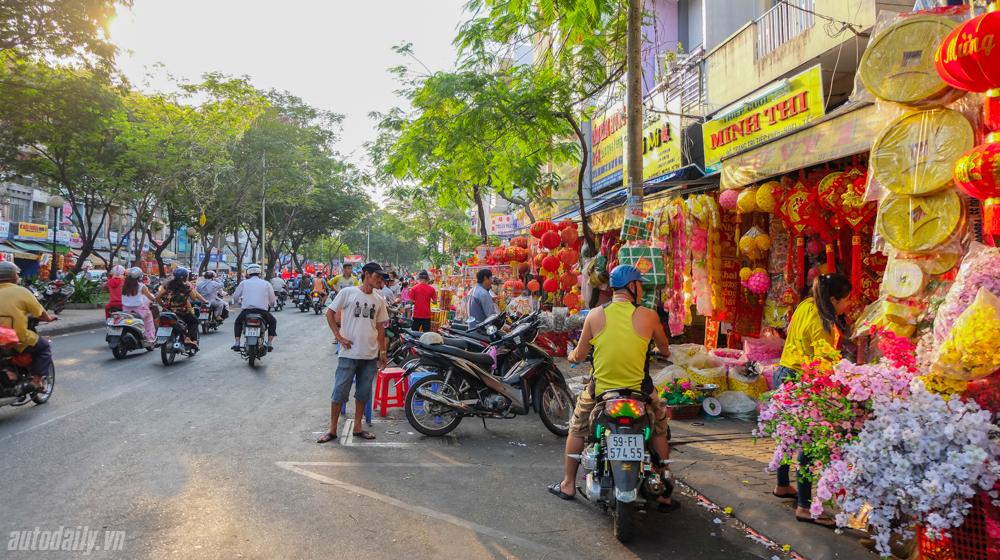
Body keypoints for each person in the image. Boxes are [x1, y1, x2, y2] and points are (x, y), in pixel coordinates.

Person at [550, 265, 676, 512]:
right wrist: (660, 351)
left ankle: (567, 484)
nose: (641, 288)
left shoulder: (595, 315)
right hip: (640, 391)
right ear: (632, 286)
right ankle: (663, 493)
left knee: (577, 427)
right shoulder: (649, 315)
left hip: (602, 392)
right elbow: (665, 348)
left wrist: (574, 356)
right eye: (640, 284)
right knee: (659, 426)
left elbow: (581, 353)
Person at [772, 273, 853, 527]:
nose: (849, 304)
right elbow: (823, 367)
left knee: (787, 435)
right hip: (802, 381)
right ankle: (805, 508)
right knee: (807, 443)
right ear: (832, 299)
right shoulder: (823, 325)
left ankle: (783, 485)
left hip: (783, 373)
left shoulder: (806, 305)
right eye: (847, 300)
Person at [319, 262, 390, 443]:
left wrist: (383, 351)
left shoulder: (379, 300)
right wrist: (338, 336)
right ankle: (332, 428)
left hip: (369, 354)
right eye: (377, 276)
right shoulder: (347, 293)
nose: (380, 280)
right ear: (367, 274)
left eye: (381, 277)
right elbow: (329, 312)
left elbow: (380, 326)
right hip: (348, 353)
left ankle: (358, 426)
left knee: (363, 392)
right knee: (339, 391)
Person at [0, 262, 57, 393]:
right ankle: (35, 381)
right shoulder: (22, 292)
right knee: (44, 347)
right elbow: (40, 314)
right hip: (16, 339)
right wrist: (49, 318)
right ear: (14, 277)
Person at [230, 263, 278, 352]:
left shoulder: (243, 283)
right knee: (273, 322)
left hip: (246, 312)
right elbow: (272, 300)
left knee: (238, 323)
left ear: (248, 273)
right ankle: (270, 343)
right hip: (262, 312)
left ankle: (237, 343)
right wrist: (273, 305)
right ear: (260, 274)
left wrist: (235, 302)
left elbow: (236, 297)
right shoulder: (266, 284)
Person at [154, 268, 206, 348]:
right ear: (186, 277)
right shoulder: (187, 286)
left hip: (167, 311)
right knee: (195, 321)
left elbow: (157, 297)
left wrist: (164, 306)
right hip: (182, 311)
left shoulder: (167, 285)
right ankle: (188, 338)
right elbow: (194, 299)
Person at [121, 268, 157, 342]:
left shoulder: (124, 285)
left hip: (126, 310)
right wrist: (156, 299)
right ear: (139, 277)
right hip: (139, 310)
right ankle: (149, 338)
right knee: (149, 316)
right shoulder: (141, 286)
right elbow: (150, 297)